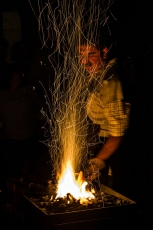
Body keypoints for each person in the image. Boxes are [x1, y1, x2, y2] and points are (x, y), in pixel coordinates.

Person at [78, 41, 131, 192]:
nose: (84, 62)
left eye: (91, 54)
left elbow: (117, 133)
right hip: (100, 141)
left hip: (115, 149)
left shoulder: (109, 81)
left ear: (104, 52)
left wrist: (97, 162)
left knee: (116, 192)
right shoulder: (97, 74)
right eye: (80, 55)